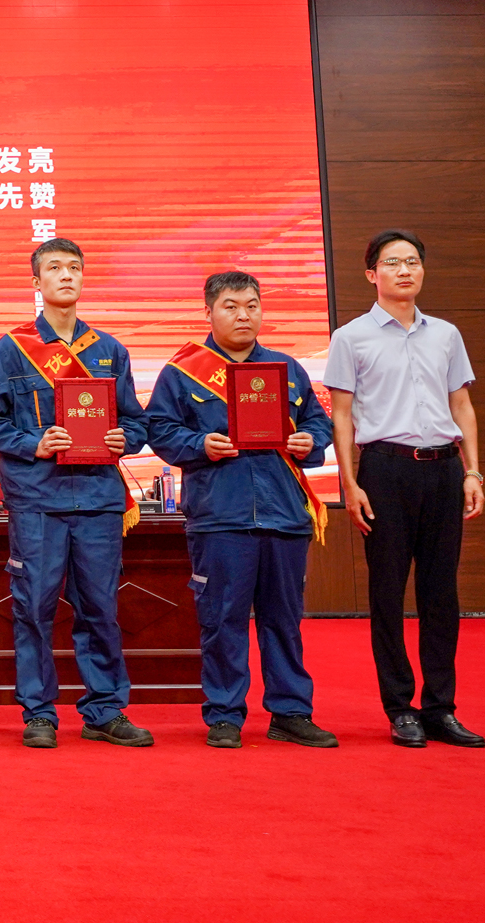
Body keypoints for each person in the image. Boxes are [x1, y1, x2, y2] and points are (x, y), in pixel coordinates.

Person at [0, 238, 154, 748]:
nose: (66, 275)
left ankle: (105, 710)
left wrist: (123, 439)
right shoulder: (11, 349)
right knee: (34, 608)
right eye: (54, 268)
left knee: (100, 608)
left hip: (97, 500)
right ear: (37, 282)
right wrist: (33, 443)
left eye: (74, 267)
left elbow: (137, 423)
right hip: (38, 500)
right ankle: (38, 713)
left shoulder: (108, 350)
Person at [147, 270, 336, 748]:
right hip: (220, 516)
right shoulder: (182, 371)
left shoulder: (286, 368)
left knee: (283, 621)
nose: (243, 315)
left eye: (251, 305)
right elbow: (160, 430)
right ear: (208, 312)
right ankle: (225, 715)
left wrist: (309, 440)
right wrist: (200, 444)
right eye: (230, 306)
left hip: (284, 514)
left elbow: (318, 422)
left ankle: (290, 712)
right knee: (221, 620)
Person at [325, 230, 483, 748]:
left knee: (442, 594)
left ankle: (441, 708)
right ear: (372, 274)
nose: (405, 270)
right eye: (393, 262)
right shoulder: (351, 337)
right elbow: (342, 416)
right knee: (388, 592)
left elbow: (461, 405)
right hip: (385, 472)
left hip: (442, 470)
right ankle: (400, 707)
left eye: (412, 261)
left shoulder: (446, 335)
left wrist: (473, 471)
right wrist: (350, 482)